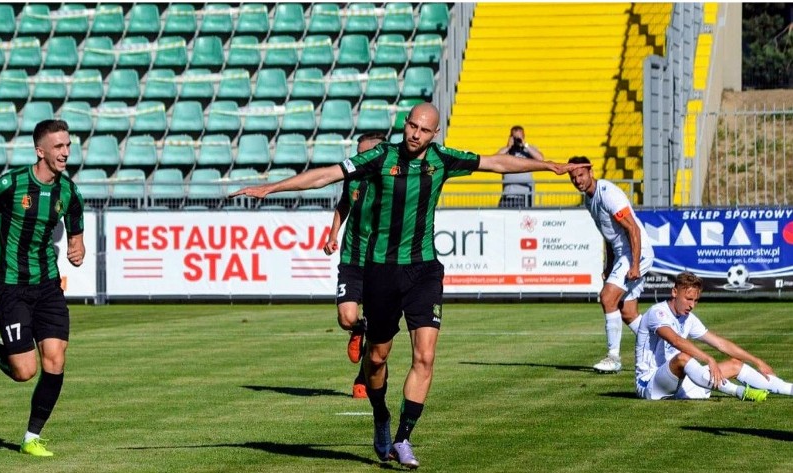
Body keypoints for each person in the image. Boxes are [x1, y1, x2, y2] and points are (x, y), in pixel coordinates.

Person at [232, 103, 589, 468]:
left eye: (424, 130)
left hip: (424, 270)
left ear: (435, 134)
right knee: (377, 358)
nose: (415, 134)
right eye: (412, 126)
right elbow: (328, 175)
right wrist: (271, 187)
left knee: (425, 356)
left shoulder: (443, 159)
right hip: (381, 272)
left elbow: (496, 163)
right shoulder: (380, 157)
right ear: (405, 125)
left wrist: (547, 165)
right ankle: (381, 417)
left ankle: (403, 438)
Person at [0, 119, 85, 457]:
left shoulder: (69, 191)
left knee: (55, 360)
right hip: (11, 287)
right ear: (41, 151)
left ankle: (31, 436)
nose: (65, 152)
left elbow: (76, 235)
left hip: (48, 286)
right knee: (24, 371)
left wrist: (78, 249)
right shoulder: (12, 183)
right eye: (59, 147)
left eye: (68, 145)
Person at [635, 271, 792, 401]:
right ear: (674, 292)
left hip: (681, 382)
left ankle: (788, 388)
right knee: (683, 357)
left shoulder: (688, 318)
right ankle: (739, 391)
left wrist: (757, 361)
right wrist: (709, 359)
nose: (692, 305)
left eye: (696, 300)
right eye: (688, 299)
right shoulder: (657, 313)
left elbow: (720, 344)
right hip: (650, 384)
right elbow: (676, 340)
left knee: (735, 365)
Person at [567, 156, 654, 374]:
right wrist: (609, 265)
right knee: (628, 313)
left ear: (590, 172)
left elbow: (632, 229)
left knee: (607, 297)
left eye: (581, 175)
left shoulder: (607, 194)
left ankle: (613, 358)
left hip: (636, 253)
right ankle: (663, 346)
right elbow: (608, 235)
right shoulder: (589, 199)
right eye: (573, 177)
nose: (578, 180)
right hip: (622, 255)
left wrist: (634, 264)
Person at [323, 132, 386, 399]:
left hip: (381, 260)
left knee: (380, 330)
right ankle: (357, 330)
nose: (357, 158)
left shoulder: (392, 180)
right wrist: (332, 234)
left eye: (362, 153)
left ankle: (364, 376)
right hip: (351, 257)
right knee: (346, 317)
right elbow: (344, 204)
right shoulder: (352, 177)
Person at [496, 125, 543, 208]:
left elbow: (541, 158)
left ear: (524, 137)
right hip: (508, 195)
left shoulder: (528, 150)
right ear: (510, 137)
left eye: (519, 137)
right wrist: (508, 147)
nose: (517, 140)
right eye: (515, 137)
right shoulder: (506, 152)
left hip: (524, 196)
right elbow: (495, 159)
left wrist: (525, 144)